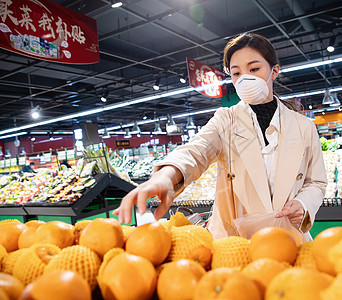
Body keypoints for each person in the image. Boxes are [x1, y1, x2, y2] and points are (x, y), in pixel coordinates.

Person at [114, 33, 327, 241]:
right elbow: (197, 149)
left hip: (288, 236)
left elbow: (316, 182)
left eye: (254, 69)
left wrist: (303, 203)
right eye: (236, 73)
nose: (245, 79)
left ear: (274, 71)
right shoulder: (226, 119)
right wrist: (167, 176)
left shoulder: (304, 127)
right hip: (235, 243)